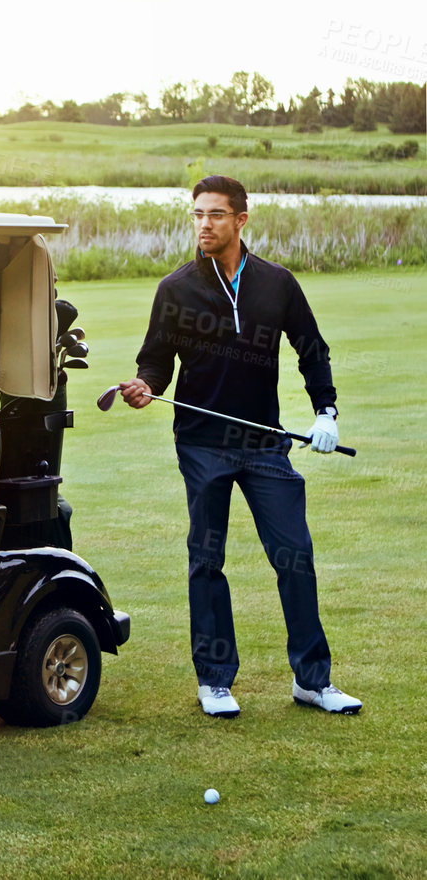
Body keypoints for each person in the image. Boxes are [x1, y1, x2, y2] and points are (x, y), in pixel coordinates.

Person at [115, 174, 361, 718]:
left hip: (266, 444)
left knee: (295, 556)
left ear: (241, 220)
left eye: (216, 215)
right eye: (197, 214)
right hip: (202, 445)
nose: (204, 224)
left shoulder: (276, 283)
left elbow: (311, 348)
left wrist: (326, 411)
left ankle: (313, 681)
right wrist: (145, 387)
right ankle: (215, 681)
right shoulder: (176, 289)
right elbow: (156, 360)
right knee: (207, 560)